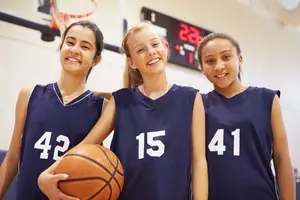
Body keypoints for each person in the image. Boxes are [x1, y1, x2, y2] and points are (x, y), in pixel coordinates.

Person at [37, 21, 208, 200]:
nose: (150, 51)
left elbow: (199, 161)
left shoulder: (190, 98)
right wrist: (46, 175)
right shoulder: (120, 101)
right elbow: (87, 144)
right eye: (141, 50)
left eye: (155, 44)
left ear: (165, 48)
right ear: (131, 62)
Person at [0, 20, 109, 200]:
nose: (75, 49)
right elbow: (12, 159)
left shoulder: (102, 108)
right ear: (61, 46)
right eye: (70, 42)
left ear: (96, 59)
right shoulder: (29, 95)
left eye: (85, 46)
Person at [197, 32, 296, 200]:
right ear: (201, 67)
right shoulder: (198, 103)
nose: (219, 66)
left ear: (239, 60)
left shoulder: (267, 98)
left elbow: (281, 158)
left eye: (226, 57)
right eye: (210, 61)